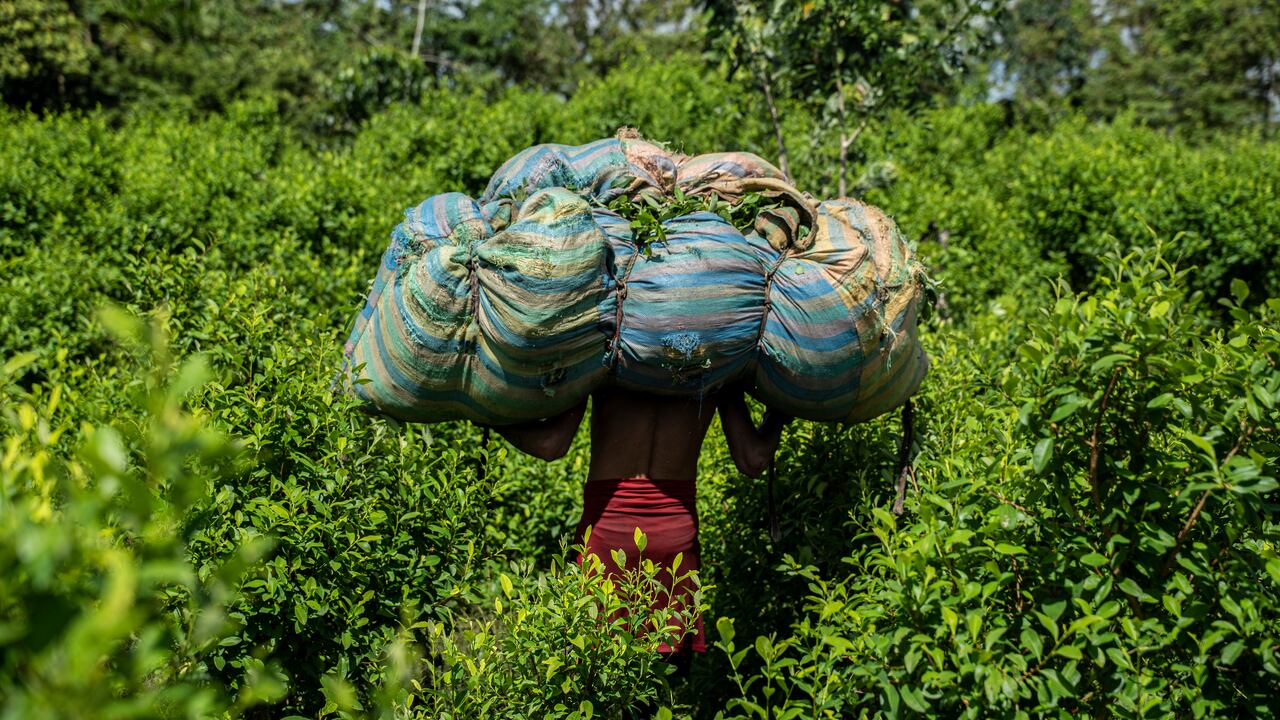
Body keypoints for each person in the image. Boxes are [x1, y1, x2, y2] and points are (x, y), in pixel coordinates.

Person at [489, 384, 788, 665]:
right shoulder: (717, 364)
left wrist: (489, 419)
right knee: (660, 682)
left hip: (606, 542)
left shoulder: (605, 357)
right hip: (675, 546)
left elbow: (550, 444)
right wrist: (778, 412)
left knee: (585, 673)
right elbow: (754, 458)